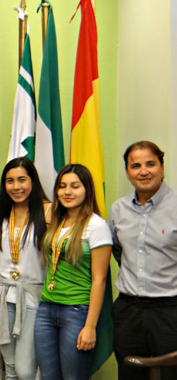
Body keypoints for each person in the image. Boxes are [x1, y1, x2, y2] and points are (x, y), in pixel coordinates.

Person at [34, 164, 112, 380]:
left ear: (87, 189)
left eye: (75, 186)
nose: (67, 192)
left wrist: (90, 326)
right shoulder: (58, 221)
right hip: (46, 308)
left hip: (76, 312)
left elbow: (99, 280)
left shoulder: (97, 226)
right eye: (62, 186)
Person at [110, 141, 177, 380]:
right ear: (128, 172)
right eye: (135, 165)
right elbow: (119, 252)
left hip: (169, 312)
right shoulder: (118, 210)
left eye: (150, 164)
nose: (143, 171)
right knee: (129, 373)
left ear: (162, 167)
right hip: (129, 310)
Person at [0, 157, 49, 380]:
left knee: (25, 369)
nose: (16, 187)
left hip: (31, 296)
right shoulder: (1, 212)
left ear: (33, 181)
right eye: (10, 181)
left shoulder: (47, 212)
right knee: (9, 366)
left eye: (22, 180)